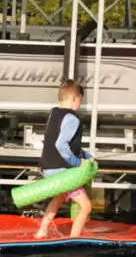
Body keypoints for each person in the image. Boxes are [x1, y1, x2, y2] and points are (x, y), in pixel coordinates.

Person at [34, 79, 93, 239]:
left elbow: (68, 145)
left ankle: (42, 230)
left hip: (48, 168)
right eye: (81, 99)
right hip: (62, 171)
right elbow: (61, 145)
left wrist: (87, 156)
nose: (81, 104)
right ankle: (74, 239)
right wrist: (78, 163)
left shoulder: (54, 114)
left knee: (59, 197)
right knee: (86, 207)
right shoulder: (72, 118)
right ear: (75, 98)